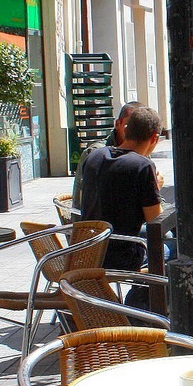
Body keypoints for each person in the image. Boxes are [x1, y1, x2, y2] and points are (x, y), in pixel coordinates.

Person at [79, 105, 163, 271]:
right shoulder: (143, 166)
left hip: (88, 250)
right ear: (155, 138)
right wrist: (155, 188)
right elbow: (156, 223)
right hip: (124, 256)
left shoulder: (94, 156)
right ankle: (140, 297)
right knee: (177, 249)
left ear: (127, 130)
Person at [71, 101, 142, 220]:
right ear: (118, 124)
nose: (134, 132)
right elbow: (91, 202)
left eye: (139, 127)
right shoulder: (97, 154)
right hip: (99, 227)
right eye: (129, 126)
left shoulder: (140, 150)